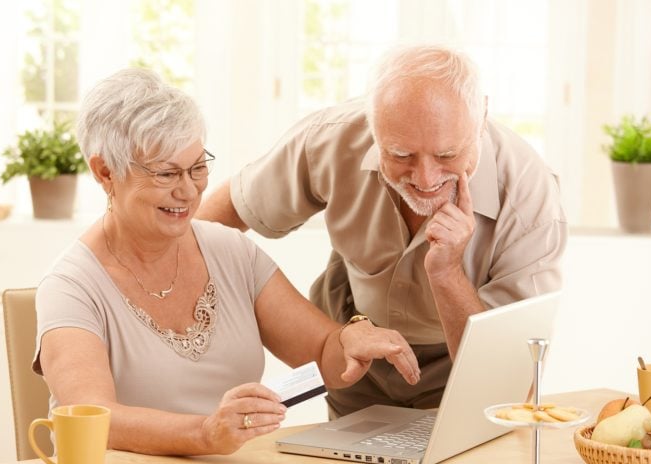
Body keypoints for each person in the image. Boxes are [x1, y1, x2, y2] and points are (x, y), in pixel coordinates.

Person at [32, 68, 420, 457]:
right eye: (166, 173)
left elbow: (322, 354)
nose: (188, 191)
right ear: (105, 172)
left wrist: (351, 341)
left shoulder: (232, 252)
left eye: (198, 168)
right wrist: (204, 434)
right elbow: (91, 416)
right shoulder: (71, 287)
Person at [197, 45, 567, 418]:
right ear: (372, 126)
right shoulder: (333, 138)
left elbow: (510, 384)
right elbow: (229, 210)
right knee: (342, 458)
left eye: (447, 155)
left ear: (481, 117)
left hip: (459, 363)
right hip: (354, 344)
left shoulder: (529, 199)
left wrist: (447, 273)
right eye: (401, 155)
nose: (426, 180)